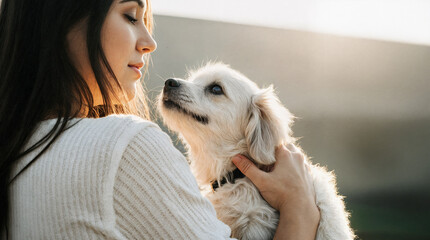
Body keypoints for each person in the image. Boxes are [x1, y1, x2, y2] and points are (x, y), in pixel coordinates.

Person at [0, 0, 320, 239]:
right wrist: (299, 206)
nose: (150, 42)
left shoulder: (17, 149)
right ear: (60, 18)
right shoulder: (124, 145)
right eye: (129, 16)